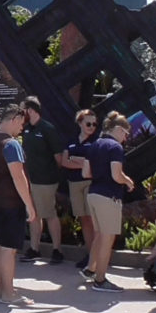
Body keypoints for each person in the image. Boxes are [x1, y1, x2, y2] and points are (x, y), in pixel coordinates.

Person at [0, 104, 37, 306]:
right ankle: (9, 293)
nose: (22, 128)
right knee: (9, 249)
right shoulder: (10, 144)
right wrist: (29, 205)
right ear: (13, 119)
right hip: (11, 204)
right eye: (21, 123)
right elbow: (18, 176)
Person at [80, 111, 135, 292]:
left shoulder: (94, 145)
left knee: (99, 235)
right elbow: (116, 175)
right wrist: (127, 181)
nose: (126, 138)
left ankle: (90, 268)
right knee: (107, 238)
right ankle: (100, 279)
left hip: (93, 193)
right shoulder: (115, 148)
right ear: (118, 129)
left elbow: (85, 173)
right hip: (108, 196)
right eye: (126, 134)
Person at [19, 96, 66, 264]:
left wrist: (51, 174)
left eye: (22, 110)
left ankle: (57, 250)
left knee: (49, 214)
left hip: (46, 181)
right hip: (30, 180)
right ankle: (34, 248)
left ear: (31, 110)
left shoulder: (47, 129)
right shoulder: (26, 130)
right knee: (33, 215)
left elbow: (58, 157)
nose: (20, 113)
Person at [61, 109, 98, 269]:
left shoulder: (97, 141)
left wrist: (76, 160)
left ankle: (96, 257)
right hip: (74, 183)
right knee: (83, 219)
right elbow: (64, 162)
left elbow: (95, 164)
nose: (91, 127)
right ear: (80, 123)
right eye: (88, 123)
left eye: (94, 124)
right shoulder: (71, 140)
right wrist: (83, 162)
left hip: (90, 183)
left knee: (92, 219)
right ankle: (89, 254)